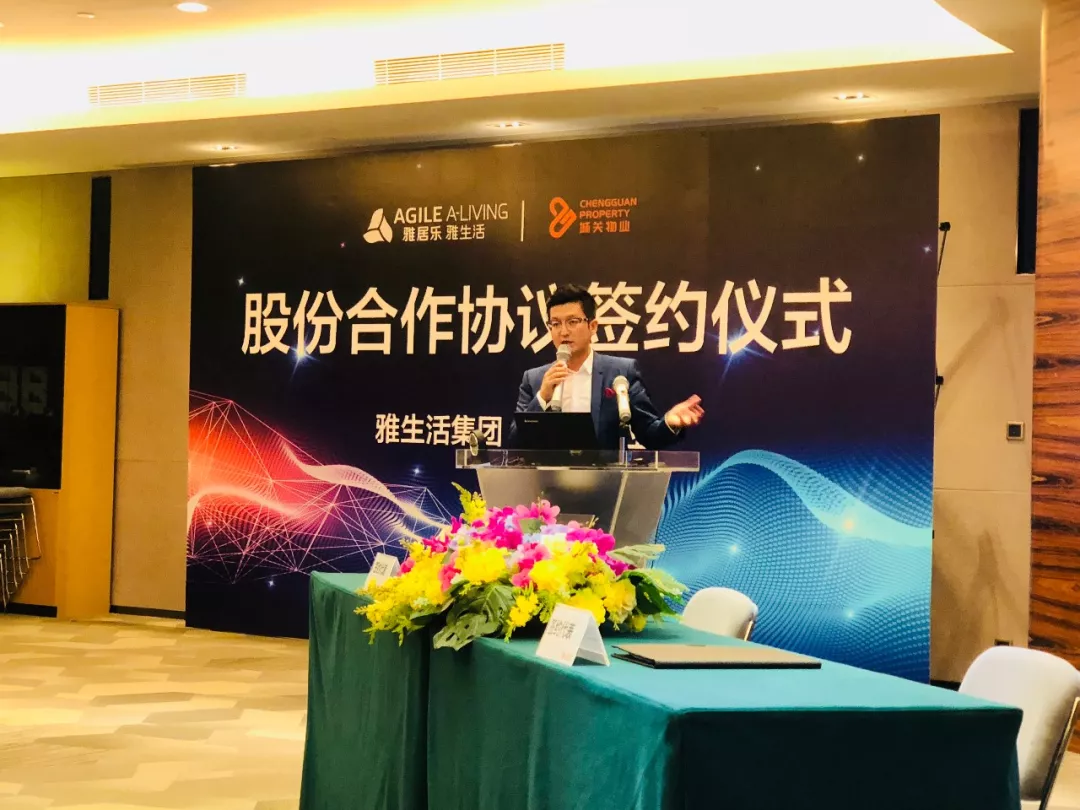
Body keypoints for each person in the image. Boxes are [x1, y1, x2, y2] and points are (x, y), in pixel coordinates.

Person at [514, 284, 704, 450]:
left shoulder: (621, 372)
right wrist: (542, 397)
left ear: (593, 326)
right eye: (555, 324)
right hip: (549, 480)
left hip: (605, 479)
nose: (563, 331)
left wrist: (670, 423)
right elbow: (515, 442)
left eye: (572, 322)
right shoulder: (535, 379)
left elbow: (649, 434)